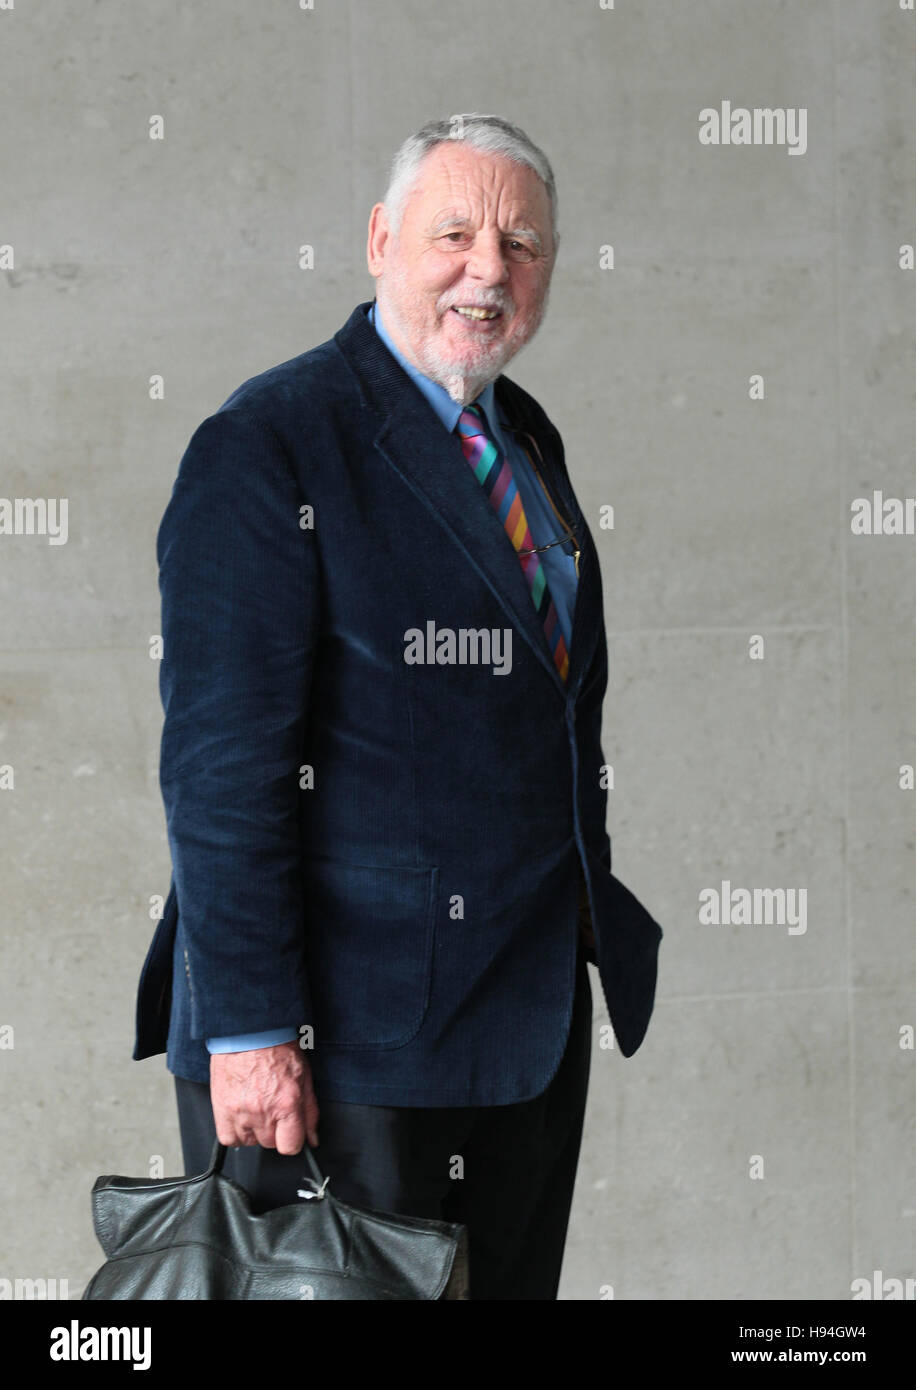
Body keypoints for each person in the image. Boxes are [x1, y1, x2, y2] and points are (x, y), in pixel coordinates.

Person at [133, 113, 663, 1300]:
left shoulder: (519, 437)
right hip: (339, 1048)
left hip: (516, 1025)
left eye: (522, 243)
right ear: (380, 239)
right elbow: (221, 770)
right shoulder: (268, 444)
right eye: (456, 232)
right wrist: (250, 1033)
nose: (491, 268)